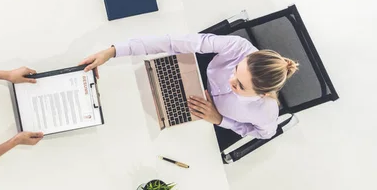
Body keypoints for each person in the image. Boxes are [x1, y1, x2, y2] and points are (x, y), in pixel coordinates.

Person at [79, 34, 299, 139]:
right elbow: (174, 42)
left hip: (202, 120)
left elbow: (264, 134)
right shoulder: (239, 47)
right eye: (235, 70)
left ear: (262, 94)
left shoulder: (266, 110)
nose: (231, 79)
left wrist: (220, 120)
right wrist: (113, 51)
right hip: (191, 75)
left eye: (240, 86)